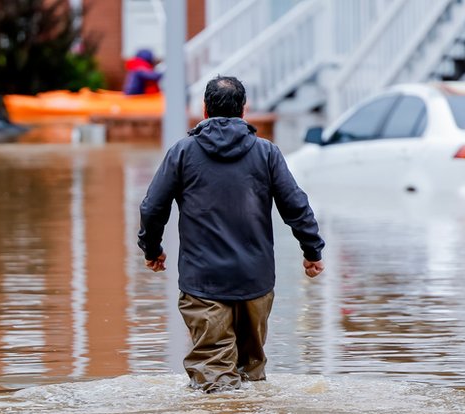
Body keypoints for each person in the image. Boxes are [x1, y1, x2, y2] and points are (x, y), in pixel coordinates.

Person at [137, 75, 325, 393]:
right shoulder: (267, 153)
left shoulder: (183, 153)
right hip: (255, 282)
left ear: (204, 110)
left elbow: (152, 208)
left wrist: (151, 249)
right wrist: (312, 251)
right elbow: (296, 205)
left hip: (203, 283)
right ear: (244, 110)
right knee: (250, 373)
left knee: (214, 380)